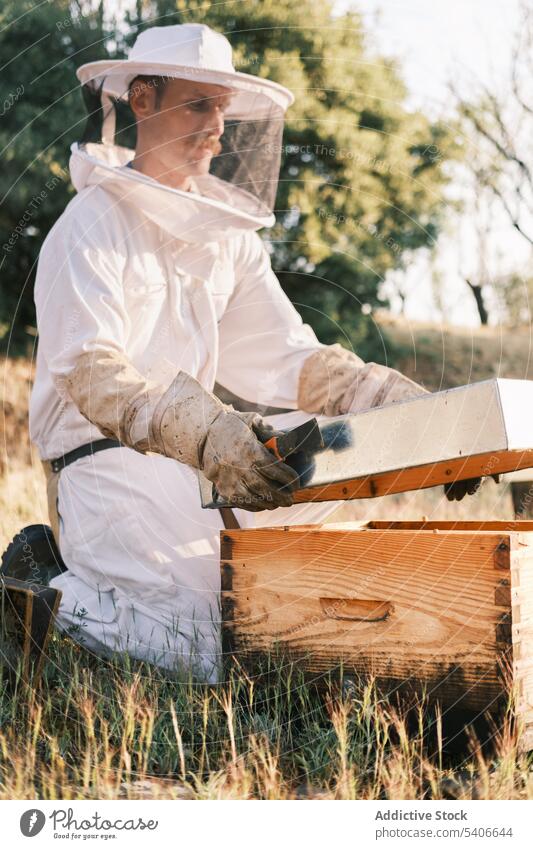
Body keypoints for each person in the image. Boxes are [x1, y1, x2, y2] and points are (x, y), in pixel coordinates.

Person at [23, 23, 479, 682]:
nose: (216, 126)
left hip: (202, 465)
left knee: (329, 454)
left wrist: (411, 417)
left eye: (223, 110)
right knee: (207, 644)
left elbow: (288, 354)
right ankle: (48, 591)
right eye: (198, 104)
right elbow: (89, 368)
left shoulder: (226, 238)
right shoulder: (88, 225)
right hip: (107, 468)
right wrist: (206, 432)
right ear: (142, 101)